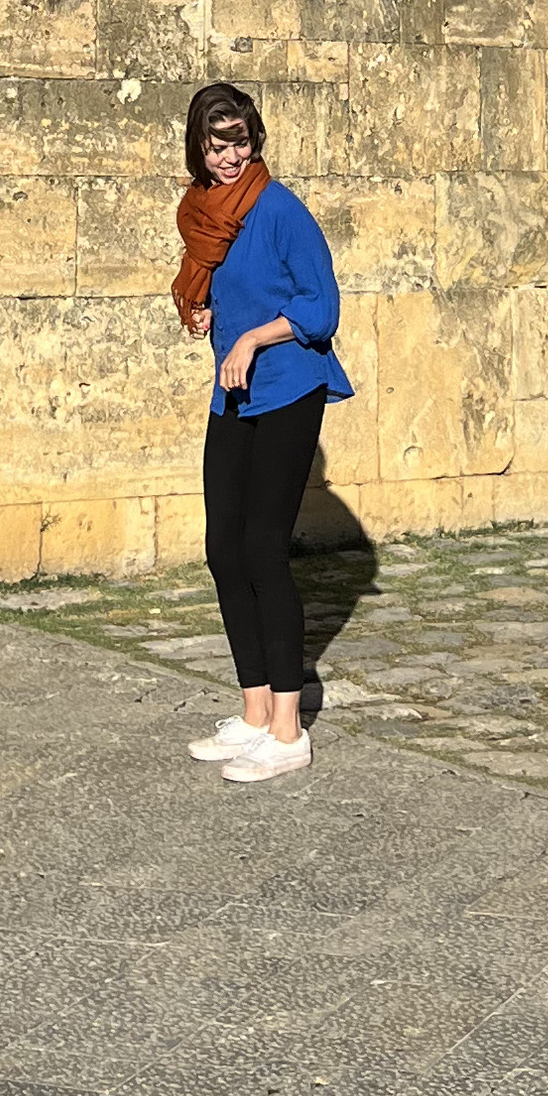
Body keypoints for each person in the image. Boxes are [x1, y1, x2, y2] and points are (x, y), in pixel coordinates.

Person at [170, 80, 350, 784]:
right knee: (223, 548)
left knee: (264, 548)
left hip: (288, 389)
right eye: (218, 145)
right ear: (200, 147)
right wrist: (210, 316)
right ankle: (251, 713)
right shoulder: (205, 215)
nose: (231, 157)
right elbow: (223, 283)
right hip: (235, 398)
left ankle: (287, 727)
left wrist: (251, 339)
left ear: (256, 140)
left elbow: (321, 306)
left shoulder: (279, 210)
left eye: (241, 142)